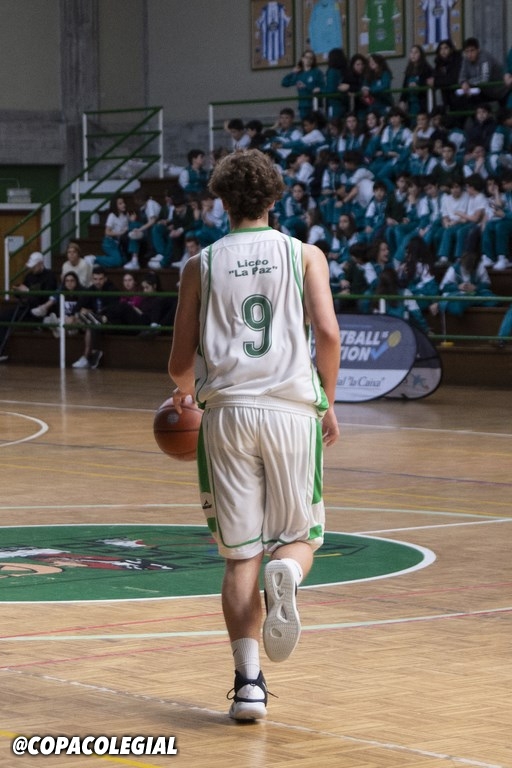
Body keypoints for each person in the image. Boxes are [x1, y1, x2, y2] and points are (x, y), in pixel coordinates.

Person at [168, 149, 340, 721]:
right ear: (274, 198)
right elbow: (328, 334)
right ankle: (287, 573)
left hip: (227, 414)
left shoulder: (200, 264)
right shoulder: (304, 254)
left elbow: (180, 361)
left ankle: (248, 686)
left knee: (240, 555)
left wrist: (183, 392)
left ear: (222, 200)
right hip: (292, 411)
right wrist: (329, 401)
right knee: (298, 538)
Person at [0, 251, 58, 360]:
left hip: (40, 310)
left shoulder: (50, 276)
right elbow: (23, 291)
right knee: (3, 317)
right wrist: (17, 291)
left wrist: (27, 291)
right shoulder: (29, 276)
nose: (32, 269)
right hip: (25, 307)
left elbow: (45, 298)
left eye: (34, 266)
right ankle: (1, 351)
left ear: (40, 264)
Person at [72, 265, 119, 369]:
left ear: (105, 278)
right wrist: (83, 311)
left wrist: (93, 313)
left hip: (109, 322)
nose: (98, 282)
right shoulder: (90, 290)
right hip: (94, 321)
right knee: (84, 318)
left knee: (90, 323)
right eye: (95, 279)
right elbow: (77, 308)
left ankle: (86, 356)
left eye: (100, 279)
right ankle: (91, 354)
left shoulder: (112, 290)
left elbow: (113, 310)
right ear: (92, 279)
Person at [281, 49, 325, 120]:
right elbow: (284, 83)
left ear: (313, 60)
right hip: (303, 105)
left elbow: (323, 88)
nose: (308, 60)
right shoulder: (299, 73)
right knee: (304, 124)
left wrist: (306, 87)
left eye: (311, 58)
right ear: (302, 59)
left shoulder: (317, 72)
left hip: (315, 104)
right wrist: (292, 73)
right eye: (306, 57)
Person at [399, 45, 434, 120]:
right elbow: (404, 87)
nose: (413, 55)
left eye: (416, 52)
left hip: (421, 102)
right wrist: (402, 100)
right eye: (411, 52)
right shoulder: (409, 70)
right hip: (411, 103)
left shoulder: (427, 68)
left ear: (421, 54)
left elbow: (429, 84)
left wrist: (418, 86)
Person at [97, 196, 129, 268]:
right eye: (120, 203)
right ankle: (95, 259)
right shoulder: (112, 216)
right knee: (117, 261)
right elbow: (107, 232)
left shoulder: (126, 215)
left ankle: (104, 262)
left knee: (125, 260)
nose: (123, 205)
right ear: (115, 206)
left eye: (123, 203)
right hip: (110, 242)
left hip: (119, 243)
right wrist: (120, 233)